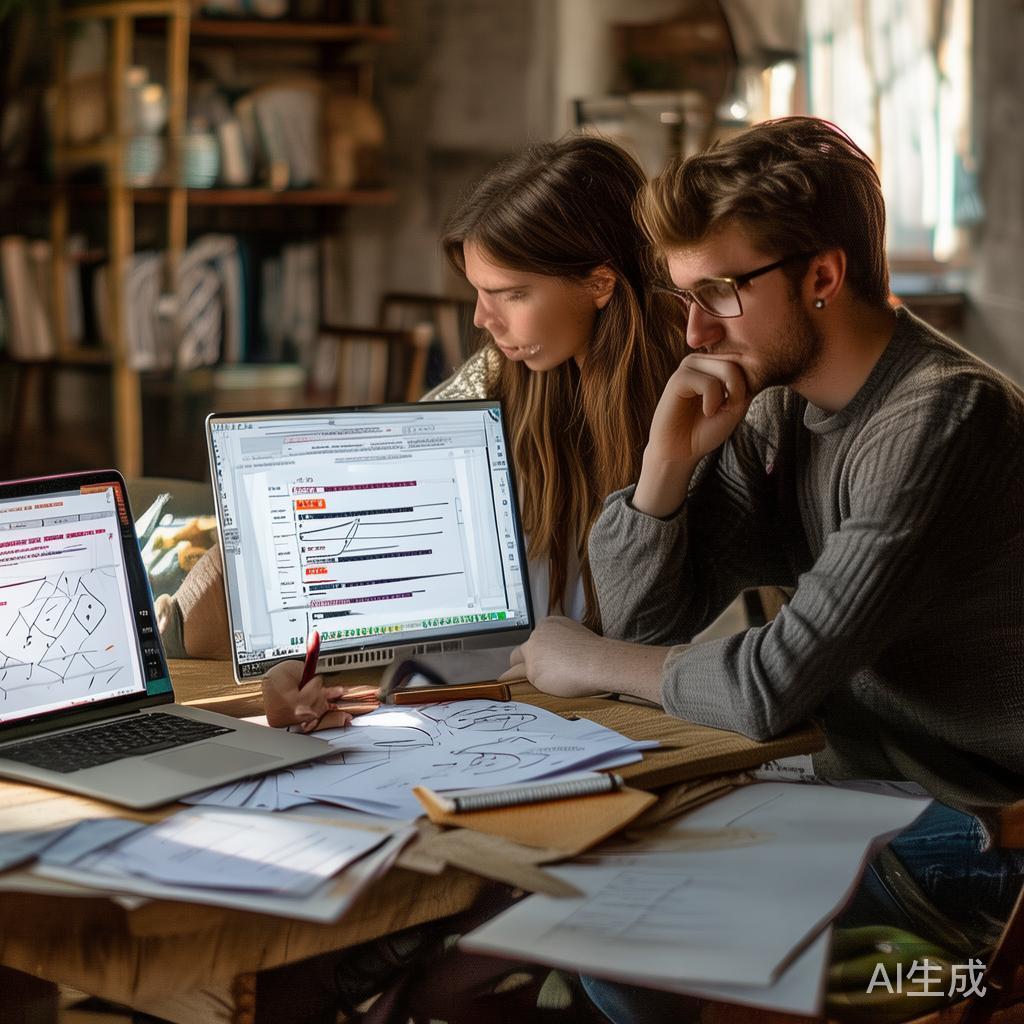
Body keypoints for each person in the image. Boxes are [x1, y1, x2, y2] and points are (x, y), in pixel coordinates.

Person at [507, 116, 1024, 983]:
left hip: (980, 826)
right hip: (846, 790)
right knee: (545, 889)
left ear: (823, 275)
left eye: (719, 293)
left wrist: (588, 657)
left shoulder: (943, 419)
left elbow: (767, 684)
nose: (695, 335)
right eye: (684, 299)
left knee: (605, 938)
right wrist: (663, 467)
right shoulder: (775, 405)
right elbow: (657, 618)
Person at [155, 134, 685, 732]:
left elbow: (673, 631)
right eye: (479, 293)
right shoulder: (500, 382)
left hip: (627, 719)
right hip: (486, 715)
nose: (483, 320)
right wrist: (309, 667)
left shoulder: (695, 408)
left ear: (600, 282)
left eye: (512, 293)